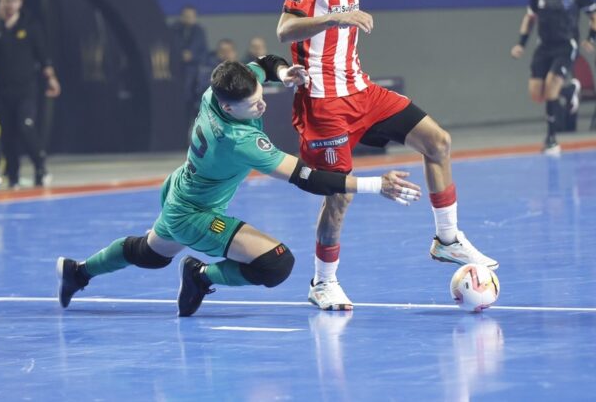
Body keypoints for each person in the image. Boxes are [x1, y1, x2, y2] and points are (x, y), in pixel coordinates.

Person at [57, 56, 422, 317]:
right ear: (230, 110)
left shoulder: (219, 90)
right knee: (277, 264)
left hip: (181, 188)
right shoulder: (237, 139)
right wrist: (377, 184)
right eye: (253, 105)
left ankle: (78, 271)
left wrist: (282, 71)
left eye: (261, 95)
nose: (262, 104)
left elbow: (262, 64)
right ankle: (200, 275)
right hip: (195, 214)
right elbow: (308, 179)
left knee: (152, 255)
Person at [277, 0, 498, 311]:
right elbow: (285, 28)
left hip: (362, 91)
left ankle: (447, 239)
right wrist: (336, 17)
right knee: (339, 194)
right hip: (323, 103)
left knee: (437, 142)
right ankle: (323, 282)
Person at [510, 0, 596, 154]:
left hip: (566, 45)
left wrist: (591, 38)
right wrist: (521, 44)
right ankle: (569, 90)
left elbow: (594, 15)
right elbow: (529, 18)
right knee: (537, 94)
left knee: (551, 88)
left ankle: (551, 139)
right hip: (544, 47)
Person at [0, 0, 61, 188]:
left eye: (13, 1)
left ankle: (41, 167)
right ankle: (12, 176)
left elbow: (43, 57)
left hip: (27, 90)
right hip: (3, 91)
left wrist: (52, 79)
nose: (9, 6)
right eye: (5, 1)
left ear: (20, 3)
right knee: (8, 134)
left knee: (26, 126)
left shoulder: (30, 27)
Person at [170, 6, 208, 119]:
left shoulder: (200, 32)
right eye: (186, 16)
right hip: (176, 70)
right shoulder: (173, 30)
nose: (188, 18)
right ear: (181, 16)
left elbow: (203, 52)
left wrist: (192, 56)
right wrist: (180, 55)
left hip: (194, 73)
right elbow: (169, 48)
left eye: (191, 16)